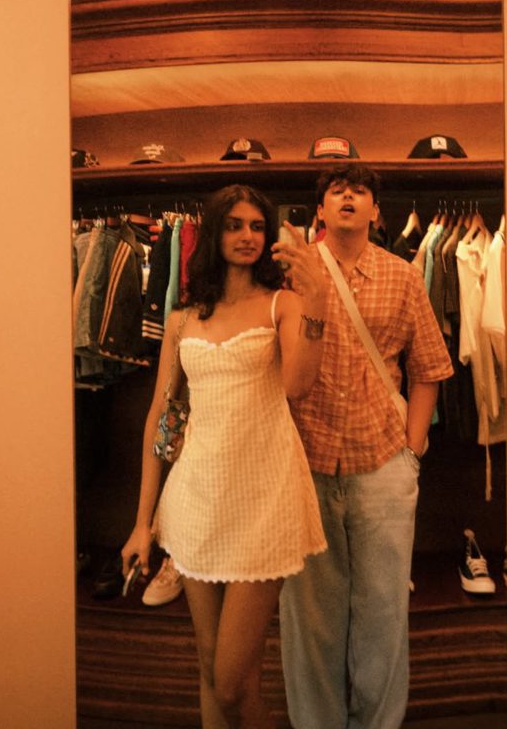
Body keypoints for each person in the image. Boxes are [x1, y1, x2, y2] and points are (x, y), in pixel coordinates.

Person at [121, 185, 327, 729]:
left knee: (233, 679)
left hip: (264, 499)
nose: (247, 236)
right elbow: (163, 420)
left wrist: (318, 303)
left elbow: (298, 385)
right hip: (196, 500)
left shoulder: (283, 304)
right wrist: (143, 523)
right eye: (234, 225)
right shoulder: (184, 319)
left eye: (257, 226)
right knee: (213, 673)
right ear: (213, 233)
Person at [279, 163, 454, 729]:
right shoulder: (292, 272)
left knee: (383, 612)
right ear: (321, 209)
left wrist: (412, 450)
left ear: (377, 210)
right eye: (336, 191)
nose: (348, 197)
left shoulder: (403, 276)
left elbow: (428, 368)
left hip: (383, 464)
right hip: (305, 462)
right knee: (310, 618)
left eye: (360, 191)